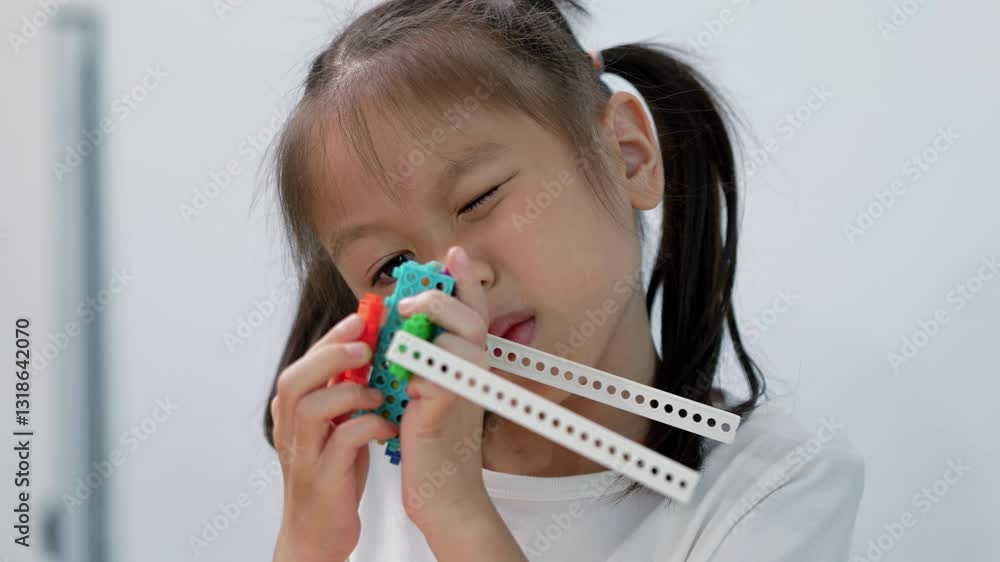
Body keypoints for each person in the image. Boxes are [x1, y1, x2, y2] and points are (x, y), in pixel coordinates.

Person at [263, 1, 864, 560]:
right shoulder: (351, 479)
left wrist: (455, 514)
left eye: (479, 198)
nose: (451, 282)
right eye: (391, 267)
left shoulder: (776, 484)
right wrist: (306, 542)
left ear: (627, 153)